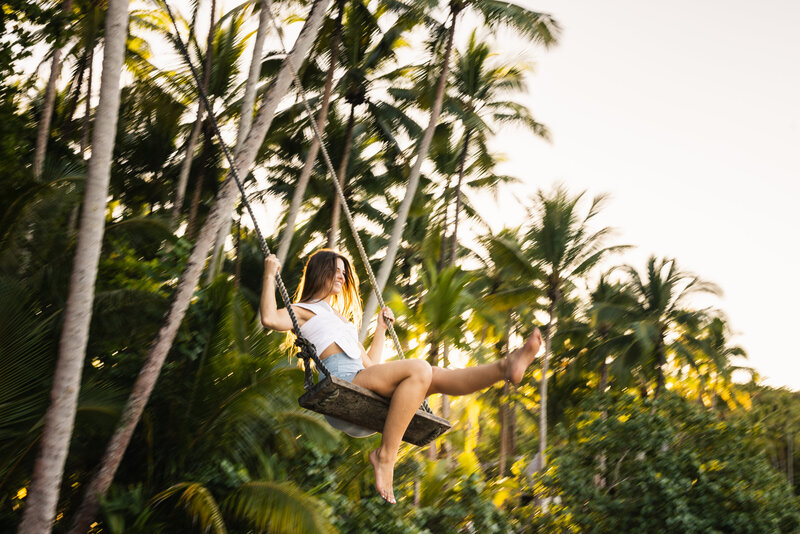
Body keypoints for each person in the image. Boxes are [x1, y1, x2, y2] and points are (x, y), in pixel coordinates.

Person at [260, 249, 542, 504]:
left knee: (435, 376)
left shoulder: (343, 322)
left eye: (344, 273)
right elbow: (270, 318)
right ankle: (384, 457)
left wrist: (380, 330)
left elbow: (370, 364)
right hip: (340, 388)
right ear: (319, 272)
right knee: (420, 369)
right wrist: (270, 275)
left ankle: (505, 367)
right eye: (335, 270)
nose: (341, 277)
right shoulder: (305, 310)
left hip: (360, 384)